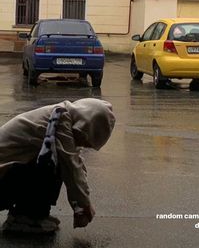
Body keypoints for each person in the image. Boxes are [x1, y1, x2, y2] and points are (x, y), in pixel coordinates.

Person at [0, 98, 115, 233]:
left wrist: (83, 202)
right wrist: (83, 207)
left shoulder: (61, 114)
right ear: (85, 125)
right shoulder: (58, 119)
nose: (83, 144)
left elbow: (76, 162)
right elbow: (71, 166)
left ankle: (31, 214)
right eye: (86, 139)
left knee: (54, 160)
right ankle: (26, 217)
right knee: (53, 164)